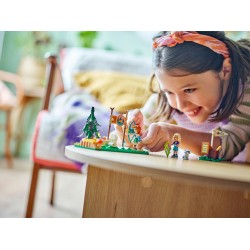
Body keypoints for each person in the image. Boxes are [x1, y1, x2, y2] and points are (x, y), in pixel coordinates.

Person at [115, 31, 250, 161]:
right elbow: (120, 137)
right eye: (169, 92)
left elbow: (228, 146)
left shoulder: (244, 89)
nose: (180, 105)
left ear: (225, 70)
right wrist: (129, 135)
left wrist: (173, 134)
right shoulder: (164, 101)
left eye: (189, 90)